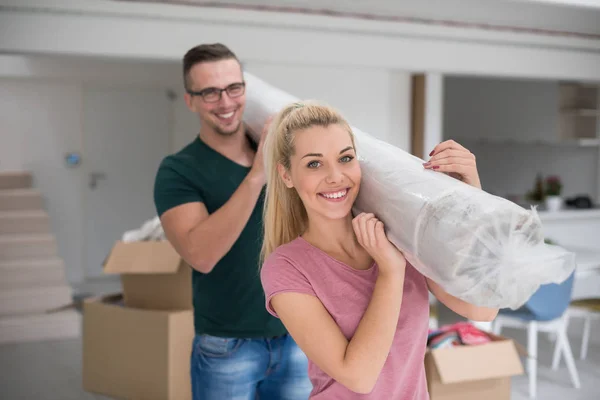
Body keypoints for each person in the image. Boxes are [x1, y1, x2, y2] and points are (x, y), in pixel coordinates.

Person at [259, 101, 498, 399]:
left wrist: (471, 200)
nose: (335, 176)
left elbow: (483, 308)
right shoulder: (286, 268)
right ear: (286, 175)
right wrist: (391, 271)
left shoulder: (398, 234)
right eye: (314, 163)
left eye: (345, 158)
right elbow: (358, 376)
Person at [153, 43, 311, 400]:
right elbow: (201, 254)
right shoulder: (179, 170)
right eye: (209, 92)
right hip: (228, 345)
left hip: (297, 334)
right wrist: (257, 174)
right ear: (190, 100)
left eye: (233, 89)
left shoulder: (280, 156)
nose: (225, 103)